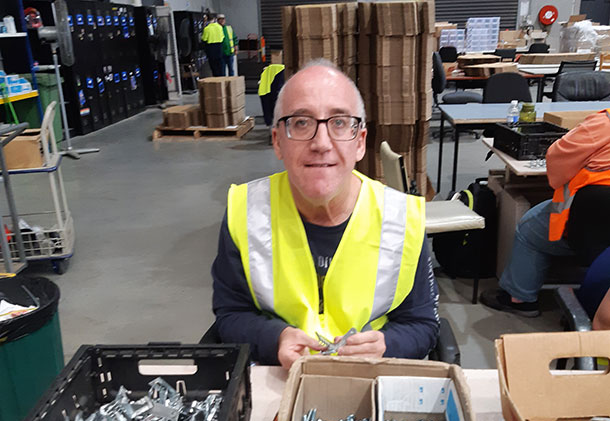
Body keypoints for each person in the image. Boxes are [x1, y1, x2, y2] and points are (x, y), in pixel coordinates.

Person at [211, 60, 440, 370]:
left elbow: (423, 325)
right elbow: (230, 316)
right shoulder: (245, 210)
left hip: (369, 383)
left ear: (360, 142)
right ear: (278, 141)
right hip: (278, 381)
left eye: (340, 122)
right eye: (302, 122)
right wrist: (273, 338)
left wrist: (388, 345)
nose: (321, 143)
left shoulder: (403, 219)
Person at [481, 110, 610, 317]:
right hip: (602, 238)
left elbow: (557, 158)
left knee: (529, 228)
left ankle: (519, 299)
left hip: (584, 227)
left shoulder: (602, 125)